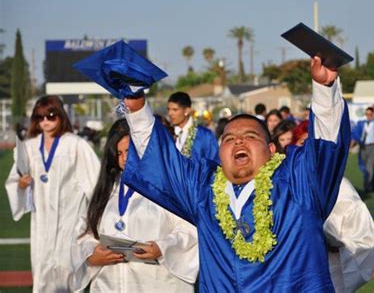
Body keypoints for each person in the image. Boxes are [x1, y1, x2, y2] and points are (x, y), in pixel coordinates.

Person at [122, 56, 351, 291]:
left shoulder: (298, 183)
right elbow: (162, 163)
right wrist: (137, 107)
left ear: (271, 150)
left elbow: (326, 149)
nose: (239, 141)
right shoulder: (203, 190)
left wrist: (324, 89)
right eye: (229, 139)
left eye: (250, 137)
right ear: (220, 153)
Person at [71, 119, 198, 292]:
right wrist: (91, 256)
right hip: (109, 283)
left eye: (129, 151)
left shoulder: (167, 188)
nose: (124, 159)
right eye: (118, 153)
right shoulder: (107, 190)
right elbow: (84, 233)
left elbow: (191, 230)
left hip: (156, 282)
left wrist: (163, 247)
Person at [4, 95, 100, 292]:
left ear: (60, 116)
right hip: (42, 223)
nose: (45, 121)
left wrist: (97, 218)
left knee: (69, 272)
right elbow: (15, 181)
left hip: (70, 220)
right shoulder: (29, 147)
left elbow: (95, 182)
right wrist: (22, 185)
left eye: (50, 116)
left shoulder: (76, 145)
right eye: (40, 117)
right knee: (43, 272)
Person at [291, 126, 374, 293]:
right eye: (303, 143)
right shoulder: (283, 183)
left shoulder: (340, 186)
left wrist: (330, 237)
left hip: (328, 269)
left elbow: (363, 236)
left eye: (314, 145)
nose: (309, 151)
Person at [167, 91, 219, 161]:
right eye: (168, 109)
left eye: (175, 110)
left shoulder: (205, 135)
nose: (170, 113)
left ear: (187, 111)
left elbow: (214, 161)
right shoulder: (167, 133)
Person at [351, 107, 374, 193]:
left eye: (370, 114)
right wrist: (355, 141)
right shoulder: (361, 124)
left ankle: (367, 186)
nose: (368, 116)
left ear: (373, 114)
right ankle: (373, 182)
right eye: (367, 114)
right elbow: (355, 133)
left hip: (373, 147)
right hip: (363, 147)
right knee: (363, 166)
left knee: (369, 167)